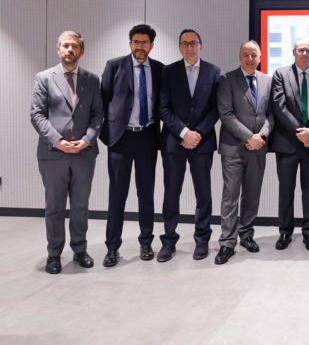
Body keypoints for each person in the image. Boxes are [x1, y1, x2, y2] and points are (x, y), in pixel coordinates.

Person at [30, 31, 103, 274]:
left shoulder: (92, 80)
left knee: (80, 205)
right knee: (55, 207)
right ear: (58, 50)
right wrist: (57, 141)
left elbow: (97, 115)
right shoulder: (44, 78)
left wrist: (87, 140)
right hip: (54, 155)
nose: (69, 50)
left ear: (81, 50)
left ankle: (80, 249)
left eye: (73, 46)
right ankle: (54, 254)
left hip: (83, 154)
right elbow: (37, 115)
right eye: (64, 46)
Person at [99, 24, 164, 267]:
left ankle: (146, 242)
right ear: (130, 44)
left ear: (151, 45)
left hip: (147, 137)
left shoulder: (159, 69)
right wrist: (108, 135)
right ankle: (112, 247)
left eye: (144, 42)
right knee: (117, 194)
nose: (140, 46)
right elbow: (103, 100)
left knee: (146, 193)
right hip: (121, 138)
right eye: (136, 42)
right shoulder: (114, 66)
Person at [158, 29, 220, 262]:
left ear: (201, 46)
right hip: (174, 142)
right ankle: (169, 241)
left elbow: (216, 108)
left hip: (202, 144)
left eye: (193, 43)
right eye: (185, 44)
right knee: (171, 193)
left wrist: (198, 133)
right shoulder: (169, 71)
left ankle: (202, 240)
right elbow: (163, 108)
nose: (189, 47)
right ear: (179, 47)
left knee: (203, 194)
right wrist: (184, 132)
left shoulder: (213, 72)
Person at [214, 40, 273, 265]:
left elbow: (271, 115)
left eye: (254, 55)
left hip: (259, 148)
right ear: (240, 57)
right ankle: (227, 243)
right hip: (234, 148)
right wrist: (250, 137)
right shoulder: (227, 79)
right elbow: (226, 114)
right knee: (230, 196)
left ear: (260, 57)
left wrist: (261, 137)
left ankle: (246, 234)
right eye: (246, 54)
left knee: (252, 194)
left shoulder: (267, 80)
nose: (250, 58)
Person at [270, 38, 309, 251]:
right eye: (301, 49)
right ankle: (285, 232)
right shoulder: (281, 74)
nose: (305, 53)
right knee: (286, 190)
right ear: (294, 51)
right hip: (288, 143)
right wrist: (301, 132)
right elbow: (279, 107)